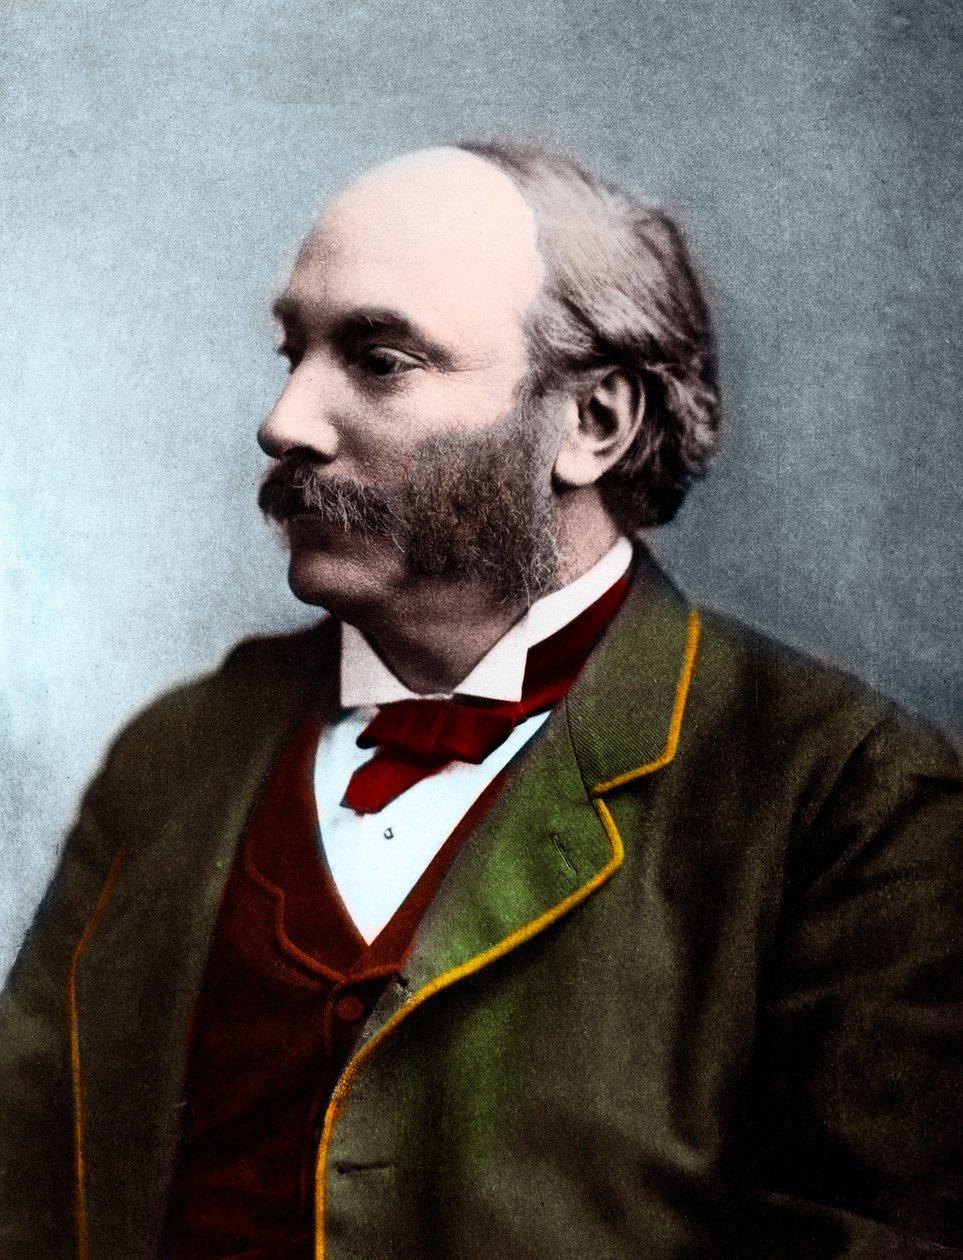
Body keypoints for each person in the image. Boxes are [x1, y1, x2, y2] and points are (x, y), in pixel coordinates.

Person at [1, 140, 960, 1260]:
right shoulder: (178, 749)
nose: (285, 422)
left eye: (379, 360)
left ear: (591, 423)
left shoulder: (849, 801)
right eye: (293, 353)